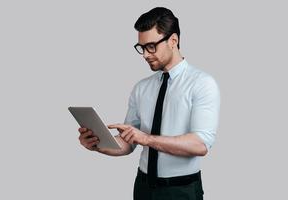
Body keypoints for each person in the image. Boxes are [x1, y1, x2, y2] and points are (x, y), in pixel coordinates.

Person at [78, 7, 220, 200]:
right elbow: (127, 144)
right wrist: (97, 144)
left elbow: (200, 144)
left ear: (173, 41)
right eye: (141, 48)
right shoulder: (141, 88)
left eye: (151, 46)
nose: (145, 54)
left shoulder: (202, 83)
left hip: (181, 190)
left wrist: (146, 139)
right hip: (143, 186)